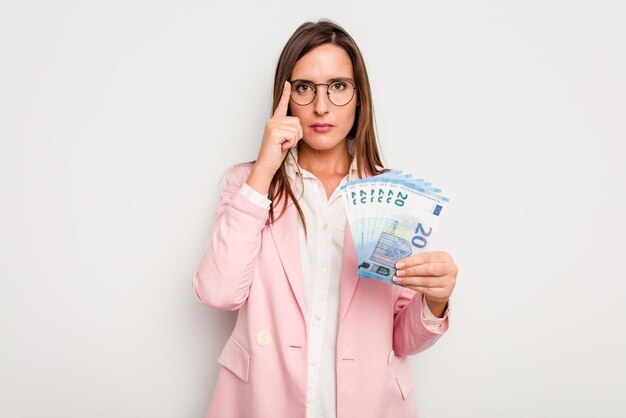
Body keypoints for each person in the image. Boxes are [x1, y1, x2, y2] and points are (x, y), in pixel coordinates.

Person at [193, 19, 458, 418]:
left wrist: (434, 303)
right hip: (265, 400)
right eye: (304, 88)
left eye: (338, 87)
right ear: (284, 97)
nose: (321, 106)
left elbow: (402, 340)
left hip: (366, 403)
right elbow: (218, 292)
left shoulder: (392, 196)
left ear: (358, 98)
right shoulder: (249, 183)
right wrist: (265, 168)